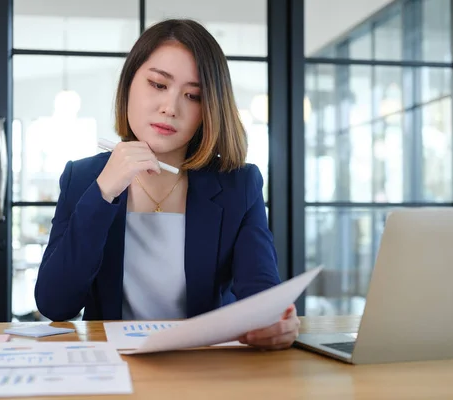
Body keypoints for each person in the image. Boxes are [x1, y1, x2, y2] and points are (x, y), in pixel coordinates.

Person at [34, 19, 300, 350]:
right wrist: (104, 193)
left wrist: (277, 323)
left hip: (201, 364)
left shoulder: (238, 184)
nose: (169, 108)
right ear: (129, 83)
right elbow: (55, 304)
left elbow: (260, 295)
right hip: (114, 362)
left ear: (209, 109)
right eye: (158, 85)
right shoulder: (84, 178)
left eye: (192, 95)